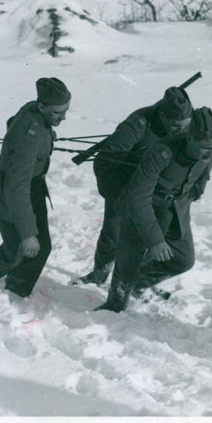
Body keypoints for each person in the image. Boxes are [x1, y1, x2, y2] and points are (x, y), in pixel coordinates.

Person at [96, 106, 212, 313]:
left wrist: (197, 190)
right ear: (189, 137)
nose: (211, 153)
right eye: (205, 148)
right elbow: (138, 198)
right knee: (128, 261)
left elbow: (204, 172)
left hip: (175, 208)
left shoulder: (208, 149)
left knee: (183, 260)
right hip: (140, 209)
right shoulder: (161, 152)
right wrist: (155, 240)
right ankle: (114, 307)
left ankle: (137, 284)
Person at [76, 86, 193, 285]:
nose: (181, 132)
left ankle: (138, 280)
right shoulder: (138, 124)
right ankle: (99, 275)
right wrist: (121, 201)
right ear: (162, 116)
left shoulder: (187, 125)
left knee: (154, 238)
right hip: (125, 186)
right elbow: (105, 163)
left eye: (184, 126)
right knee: (113, 234)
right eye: (175, 127)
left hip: (160, 191)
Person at [0, 77, 71, 298]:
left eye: (65, 111)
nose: (63, 117)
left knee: (39, 246)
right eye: (57, 113)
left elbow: (12, 121)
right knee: (23, 246)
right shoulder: (29, 137)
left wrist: (47, 134)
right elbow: (17, 188)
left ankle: (9, 282)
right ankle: (9, 290)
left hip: (32, 186)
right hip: (11, 192)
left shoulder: (32, 111)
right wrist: (28, 234)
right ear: (41, 106)